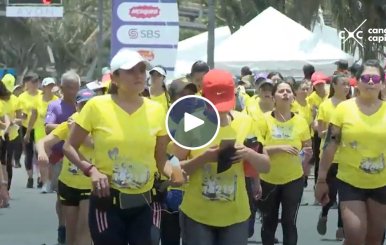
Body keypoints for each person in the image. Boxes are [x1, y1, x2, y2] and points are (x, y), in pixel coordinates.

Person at [63, 49, 183, 245]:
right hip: (107, 202)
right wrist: (91, 171)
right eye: (130, 70)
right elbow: (69, 147)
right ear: (114, 78)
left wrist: (174, 173)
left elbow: (160, 161)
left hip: (145, 203)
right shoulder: (96, 106)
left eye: (142, 70)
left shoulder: (157, 110)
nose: (139, 75)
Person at [174, 69, 270, 245]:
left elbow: (265, 166)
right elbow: (173, 170)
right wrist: (204, 158)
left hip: (236, 215)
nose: (220, 112)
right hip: (198, 215)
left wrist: (248, 153)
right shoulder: (189, 123)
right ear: (203, 95)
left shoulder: (246, 122)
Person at [316, 59, 386, 245]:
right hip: (350, 182)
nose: (370, 82)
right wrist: (321, 179)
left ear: (382, 82)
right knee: (355, 234)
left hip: (381, 184)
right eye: (366, 77)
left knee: (374, 239)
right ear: (358, 81)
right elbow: (330, 145)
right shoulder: (343, 109)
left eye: (375, 78)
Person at [37, 88, 96, 245]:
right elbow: (44, 141)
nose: (85, 108)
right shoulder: (70, 122)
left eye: (89, 105)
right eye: (82, 105)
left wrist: (75, 132)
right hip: (68, 184)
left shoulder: (99, 125)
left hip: (89, 186)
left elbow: (93, 144)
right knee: (70, 233)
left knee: (84, 230)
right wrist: (42, 152)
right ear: (77, 106)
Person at [258, 81, 312, 245]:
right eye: (281, 91)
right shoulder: (264, 120)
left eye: (288, 91)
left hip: (293, 178)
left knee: (289, 222)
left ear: (293, 97)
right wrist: (279, 148)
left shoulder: (300, 121)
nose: (285, 94)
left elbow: (308, 146)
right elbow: (257, 150)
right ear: (274, 97)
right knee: (269, 222)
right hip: (268, 179)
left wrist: (306, 162)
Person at [44, 70, 79, 244]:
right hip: (59, 155)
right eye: (70, 88)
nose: (73, 91)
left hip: (80, 157)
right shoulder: (55, 106)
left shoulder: (83, 104)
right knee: (61, 195)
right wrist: (67, 126)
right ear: (62, 87)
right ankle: (62, 226)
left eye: (76, 88)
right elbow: (47, 127)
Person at [315, 75, 350, 240]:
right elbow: (320, 130)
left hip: (347, 158)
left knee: (345, 196)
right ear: (334, 85)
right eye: (343, 84)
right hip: (329, 157)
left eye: (348, 84)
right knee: (331, 193)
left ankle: (341, 227)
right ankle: (324, 213)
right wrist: (330, 133)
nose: (347, 87)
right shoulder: (325, 105)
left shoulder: (353, 105)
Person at [17, 72, 41, 188]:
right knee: (29, 153)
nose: (35, 84)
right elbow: (19, 112)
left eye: (37, 81)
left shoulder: (41, 95)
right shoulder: (22, 97)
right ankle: (30, 178)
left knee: (39, 153)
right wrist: (22, 115)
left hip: (40, 128)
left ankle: (40, 177)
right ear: (27, 83)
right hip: (26, 127)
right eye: (33, 82)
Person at [35, 77, 58, 190]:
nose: (50, 88)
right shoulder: (37, 100)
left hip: (51, 133)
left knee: (50, 159)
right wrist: (27, 132)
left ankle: (49, 181)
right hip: (39, 132)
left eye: (52, 85)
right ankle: (44, 182)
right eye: (48, 86)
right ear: (43, 87)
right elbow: (33, 116)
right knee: (42, 159)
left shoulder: (57, 100)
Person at [307, 72, 329, 188]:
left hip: (329, 130)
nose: (319, 87)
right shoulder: (310, 99)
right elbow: (310, 116)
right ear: (313, 85)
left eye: (321, 84)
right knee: (318, 159)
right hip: (316, 132)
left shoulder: (329, 95)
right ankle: (317, 186)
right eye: (317, 85)